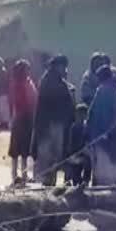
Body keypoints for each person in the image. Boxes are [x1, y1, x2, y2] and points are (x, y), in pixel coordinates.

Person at [32, 55, 76, 186]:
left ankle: (49, 184)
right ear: (58, 67)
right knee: (53, 160)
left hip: (47, 127)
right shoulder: (54, 83)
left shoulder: (48, 80)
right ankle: (50, 185)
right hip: (52, 127)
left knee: (50, 161)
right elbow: (66, 106)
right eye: (64, 67)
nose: (66, 70)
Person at [87, 64, 116, 185]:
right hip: (114, 135)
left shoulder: (104, 91)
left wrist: (96, 132)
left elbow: (99, 115)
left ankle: (103, 193)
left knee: (103, 168)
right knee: (112, 166)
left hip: (103, 137)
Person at [8, 60, 36, 185]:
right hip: (23, 118)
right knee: (21, 149)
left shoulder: (19, 83)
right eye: (27, 69)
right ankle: (18, 175)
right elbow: (25, 102)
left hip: (19, 118)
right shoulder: (21, 84)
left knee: (19, 149)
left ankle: (19, 175)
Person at [65, 104, 93, 186]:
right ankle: (76, 182)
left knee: (88, 161)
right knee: (75, 170)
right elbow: (70, 145)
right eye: (79, 114)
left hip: (83, 155)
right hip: (74, 155)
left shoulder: (86, 128)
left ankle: (85, 182)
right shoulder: (73, 128)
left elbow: (88, 142)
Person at [0, 57, 11, 130]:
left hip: (3, 93)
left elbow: (5, 82)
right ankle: (1, 123)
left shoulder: (3, 71)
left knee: (4, 110)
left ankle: (5, 123)